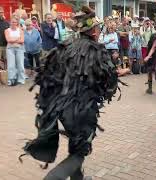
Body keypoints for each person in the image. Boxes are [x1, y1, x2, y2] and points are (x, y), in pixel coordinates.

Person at [19, 6, 119, 180]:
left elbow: (47, 74)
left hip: (61, 108)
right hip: (82, 110)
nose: (98, 30)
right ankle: (52, 178)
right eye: (97, 27)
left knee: (76, 143)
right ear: (93, 31)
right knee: (80, 151)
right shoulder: (98, 50)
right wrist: (109, 88)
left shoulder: (64, 47)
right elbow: (109, 82)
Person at [4, 16, 25, 86]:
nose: (13, 23)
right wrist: (17, 39)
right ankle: (11, 80)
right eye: (12, 22)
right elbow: (8, 40)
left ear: (17, 23)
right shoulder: (7, 30)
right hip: (10, 49)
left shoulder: (20, 30)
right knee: (11, 65)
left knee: (20, 65)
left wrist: (13, 39)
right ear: (10, 22)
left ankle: (21, 79)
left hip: (19, 49)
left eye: (15, 22)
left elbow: (22, 41)